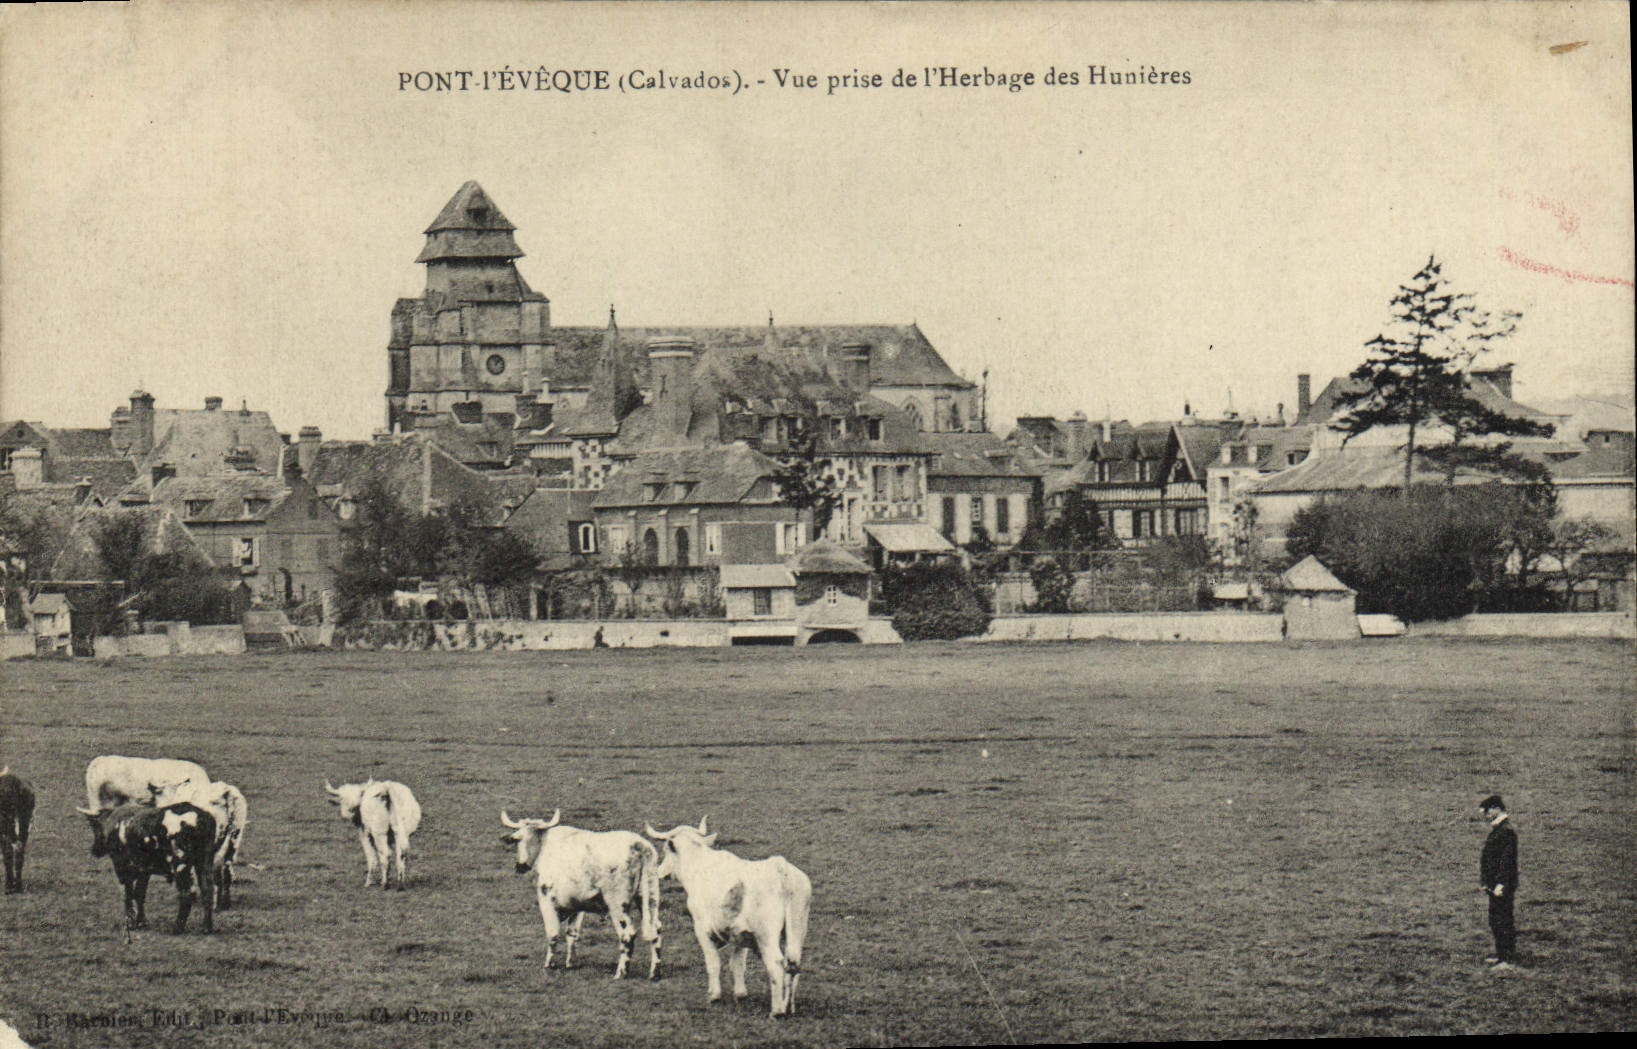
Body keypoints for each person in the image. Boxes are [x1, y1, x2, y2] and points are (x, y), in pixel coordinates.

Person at [1478, 794, 1519, 970]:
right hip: (1494, 885)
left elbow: (1506, 860)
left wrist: (1501, 883)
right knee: (1496, 919)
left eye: (1487, 812)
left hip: (1501, 886)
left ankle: (1507, 959)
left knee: (1503, 920)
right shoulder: (1500, 829)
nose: (1485, 816)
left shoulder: (1506, 831)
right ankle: (1501, 955)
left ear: (1496, 809)